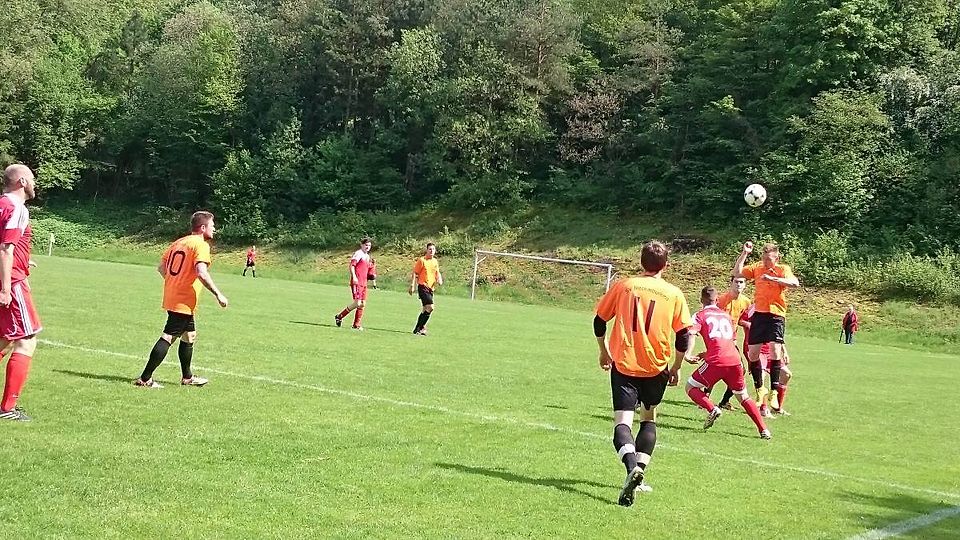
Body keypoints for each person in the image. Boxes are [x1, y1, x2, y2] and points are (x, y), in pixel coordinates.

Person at [594, 241, 692, 507]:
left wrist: (604, 352)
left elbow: (599, 321)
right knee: (648, 418)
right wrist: (676, 366)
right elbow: (683, 335)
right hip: (656, 366)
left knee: (622, 423)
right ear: (666, 265)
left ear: (641, 262)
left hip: (625, 363)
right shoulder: (674, 293)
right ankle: (639, 474)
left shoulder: (625, 286)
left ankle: (631, 469)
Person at [134, 211, 228, 388]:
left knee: (189, 335)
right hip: (183, 299)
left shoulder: (179, 242)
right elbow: (201, 273)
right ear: (203, 227)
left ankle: (187, 377)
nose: (214, 228)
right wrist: (218, 294)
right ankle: (145, 379)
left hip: (175, 295)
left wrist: (174, 283)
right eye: (212, 225)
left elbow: (161, 267)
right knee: (169, 336)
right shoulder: (200, 245)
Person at [683, 286, 770, 439]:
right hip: (734, 360)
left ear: (701, 300)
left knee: (690, 386)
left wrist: (688, 353)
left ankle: (712, 409)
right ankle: (764, 430)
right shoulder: (726, 316)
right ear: (717, 300)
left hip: (716, 361)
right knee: (743, 397)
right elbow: (728, 341)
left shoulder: (700, 315)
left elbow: (691, 333)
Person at [733, 241, 799, 416]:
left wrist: (774, 279)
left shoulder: (783, 269)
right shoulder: (757, 267)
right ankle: (760, 388)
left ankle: (774, 392)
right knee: (753, 354)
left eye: (769, 259)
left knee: (774, 351)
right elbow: (737, 272)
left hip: (776, 314)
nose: (766, 261)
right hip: (760, 315)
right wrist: (745, 253)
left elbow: (795, 283)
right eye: (764, 258)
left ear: (777, 258)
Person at [0, 164, 42, 421]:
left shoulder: (1, 204)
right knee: (26, 339)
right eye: (32, 179)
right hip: (12, 283)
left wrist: (24, 260)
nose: (35, 184)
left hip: (10, 274)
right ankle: (7, 409)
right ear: (22, 182)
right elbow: (6, 248)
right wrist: (6, 289)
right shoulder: (17, 208)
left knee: (4, 338)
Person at [714, 275, 752, 410]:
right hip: (720, 340)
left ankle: (724, 401)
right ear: (731, 283)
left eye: (741, 282)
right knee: (718, 368)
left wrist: (748, 325)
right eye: (736, 282)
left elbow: (742, 320)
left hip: (732, 340)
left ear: (745, 285)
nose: (739, 284)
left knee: (739, 370)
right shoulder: (721, 300)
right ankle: (706, 395)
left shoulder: (746, 302)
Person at [334, 238, 373, 330]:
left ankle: (356, 324)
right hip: (357, 282)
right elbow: (352, 266)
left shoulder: (367, 256)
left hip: (364, 283)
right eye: (366, 245)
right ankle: (339, 316)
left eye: (369, 245)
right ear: (361, 245)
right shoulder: (358, 253)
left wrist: (371, 275)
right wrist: (354, 277)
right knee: (357, 303)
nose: (367, 247)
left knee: (362, 303)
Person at [409, 243, 443, 335]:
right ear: (427, 250)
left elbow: (437, 272)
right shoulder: (422, 260)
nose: (431, 251)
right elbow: (415, 272)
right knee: (430, 307)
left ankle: (418, 329)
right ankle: (421, 327)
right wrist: (412, 285)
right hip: (423, 286)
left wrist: (439, 279)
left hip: (431, 288)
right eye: (430, 249)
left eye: (433, 249)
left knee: (425, 309)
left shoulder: (435, 261)